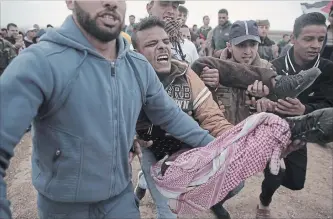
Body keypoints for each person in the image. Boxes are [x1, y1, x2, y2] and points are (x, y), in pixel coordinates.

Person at [0, 1, 217, 218]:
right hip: (64, 208)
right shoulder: (40, 63)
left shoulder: (138, 66)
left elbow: (171, 116)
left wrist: (219, 148)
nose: (111, 2)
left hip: (120, 202)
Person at [254, 12, 333, 219]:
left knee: (295, 183)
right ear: (293, 38)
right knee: (274, 173)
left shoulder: (327, 69)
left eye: (320, 39)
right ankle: (264, 203)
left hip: (301, 132)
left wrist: (305, 110)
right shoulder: (275, 66)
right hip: (274, 129)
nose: (315, 45)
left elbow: (330, 103)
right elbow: (260, 97)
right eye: (308, 39)